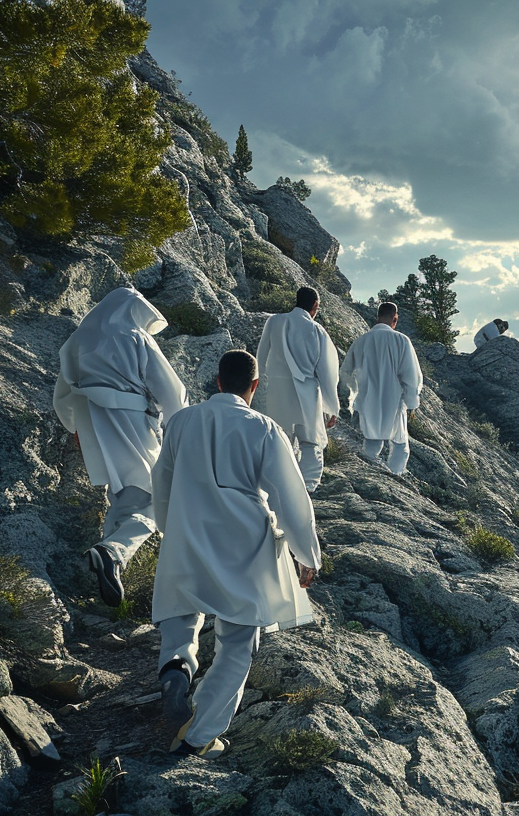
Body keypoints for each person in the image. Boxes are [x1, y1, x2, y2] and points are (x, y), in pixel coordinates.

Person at [151, 350, 320, 759]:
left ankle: (176, 665)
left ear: (218, 382)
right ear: (254, 386)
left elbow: (162, 479)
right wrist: (307, 553)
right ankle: (199, 736)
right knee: (238, 640)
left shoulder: (182, 421)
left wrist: (168, 527)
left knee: (182, 607)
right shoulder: (263, 428)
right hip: (243, 540)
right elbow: (288, 497)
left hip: (188, 530)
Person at [54, 287, 187, 607]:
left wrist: (76, 428)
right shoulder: (136, 338)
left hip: (91, 422)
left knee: (125, 496)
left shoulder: (81, 338)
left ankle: (102, 580)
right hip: (132, 422)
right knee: (157, 501)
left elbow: (64, 389)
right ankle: (112, 552)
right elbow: (172, 392)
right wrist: (179, 428)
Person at [256, 286, 340, 493]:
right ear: (315, 306)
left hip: (277, 388)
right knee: (310, 439)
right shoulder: (317, 330)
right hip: (307, 391)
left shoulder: (274, 321)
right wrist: (332, 407)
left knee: (281, 436)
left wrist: (258, 385)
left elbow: (261, 356)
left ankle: (281, 482)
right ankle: (309, 486)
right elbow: (327, 372)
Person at [339, 301, 423, 476]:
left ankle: (368, 474)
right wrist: (412, 401)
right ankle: (395, 476)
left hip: (368, 399)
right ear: (395, 319)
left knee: (372, 442)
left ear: (377, 317)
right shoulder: (401, 340)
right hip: (393, 400)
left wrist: (353, 395)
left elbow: (346, 371)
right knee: (400, 445)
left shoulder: (362, 341)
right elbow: (411, 374)